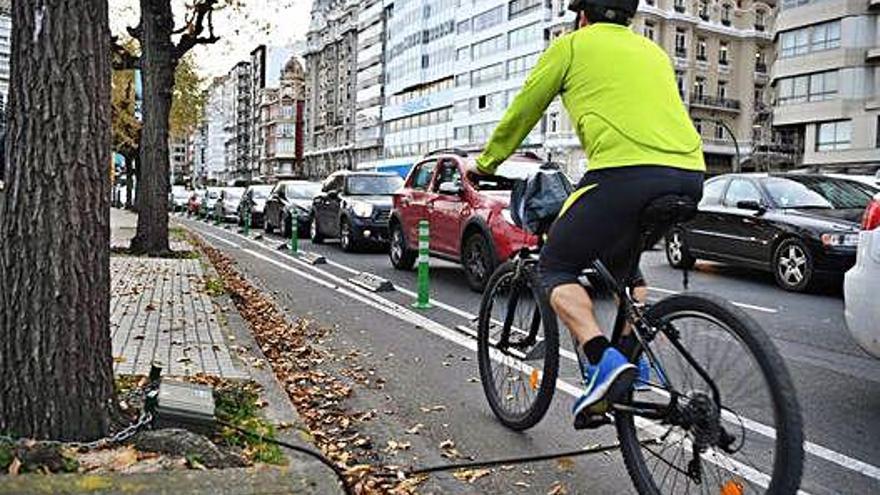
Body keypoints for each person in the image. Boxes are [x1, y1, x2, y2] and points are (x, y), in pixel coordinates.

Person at [473, 0, 706, 420]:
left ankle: (605, 361)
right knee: (626, 272)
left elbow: (524, 111)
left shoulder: (572, 45)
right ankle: (633, 361)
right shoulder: (653, 52)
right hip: (689, 173)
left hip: (623, 173)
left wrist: (486, 163)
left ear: (582, 15)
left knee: (555, 266)